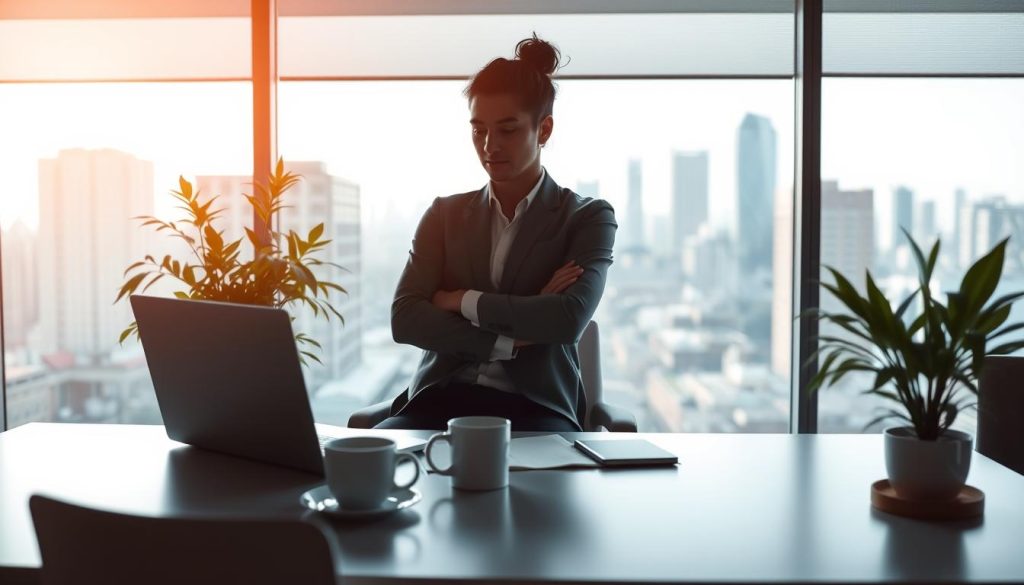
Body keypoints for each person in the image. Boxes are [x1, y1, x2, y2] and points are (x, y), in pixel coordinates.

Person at [375, 34, 617, 432]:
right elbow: (406, 319)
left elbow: (567, 319)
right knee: (368, 478)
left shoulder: (586, 218)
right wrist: (513, 335)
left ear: (544, 130)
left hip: (537, 410)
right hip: (439, 400)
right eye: (478, 130)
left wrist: (460, 300)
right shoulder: (443, 214)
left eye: (507, 130)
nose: (489, 146)